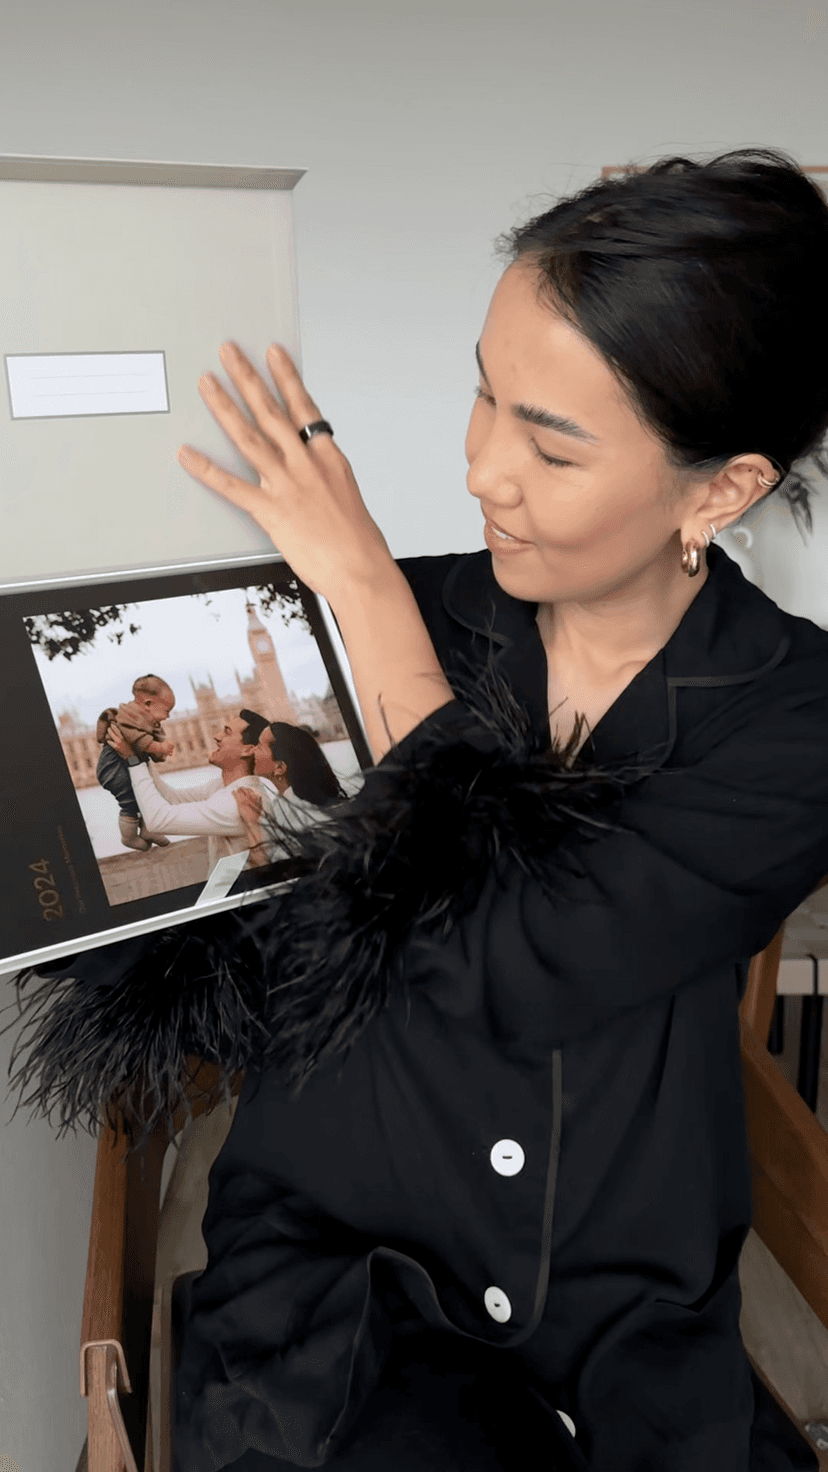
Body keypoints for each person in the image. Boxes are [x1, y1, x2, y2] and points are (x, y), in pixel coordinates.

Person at [61, 147, 827, 1471]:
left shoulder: (793, 712)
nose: (481, 470)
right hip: (331, 1296)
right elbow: (179, 911)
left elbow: (530, 955)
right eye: (486, 393)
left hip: (626, 1322)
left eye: (554, 442)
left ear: (723, 490)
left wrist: (368, 610)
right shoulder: (381, 608)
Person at [106, 709, 272, 877]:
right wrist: (142, 752)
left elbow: (158, 820)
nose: (216, 736)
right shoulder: (224, 786)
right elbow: (171, 799)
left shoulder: (239, 800)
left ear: (248, 750)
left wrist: (133, 761)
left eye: (227, 733)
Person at [231, 713, 348, 866]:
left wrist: (250, 820)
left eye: (259, 746)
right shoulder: (288, 801)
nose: (253, 750)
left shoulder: (296, 811)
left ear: (279, 767)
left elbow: (271, 869)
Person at [95, 673, 176, 851]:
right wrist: (160, 748)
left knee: (147, 794)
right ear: (147, 704)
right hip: (115, 770)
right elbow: (141, 741)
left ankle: (150, 829)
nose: (167, 717)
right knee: (130, 803)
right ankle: (128, 838)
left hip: (122, 766)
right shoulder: (130, 718)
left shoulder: (143, 718)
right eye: (166, 711)